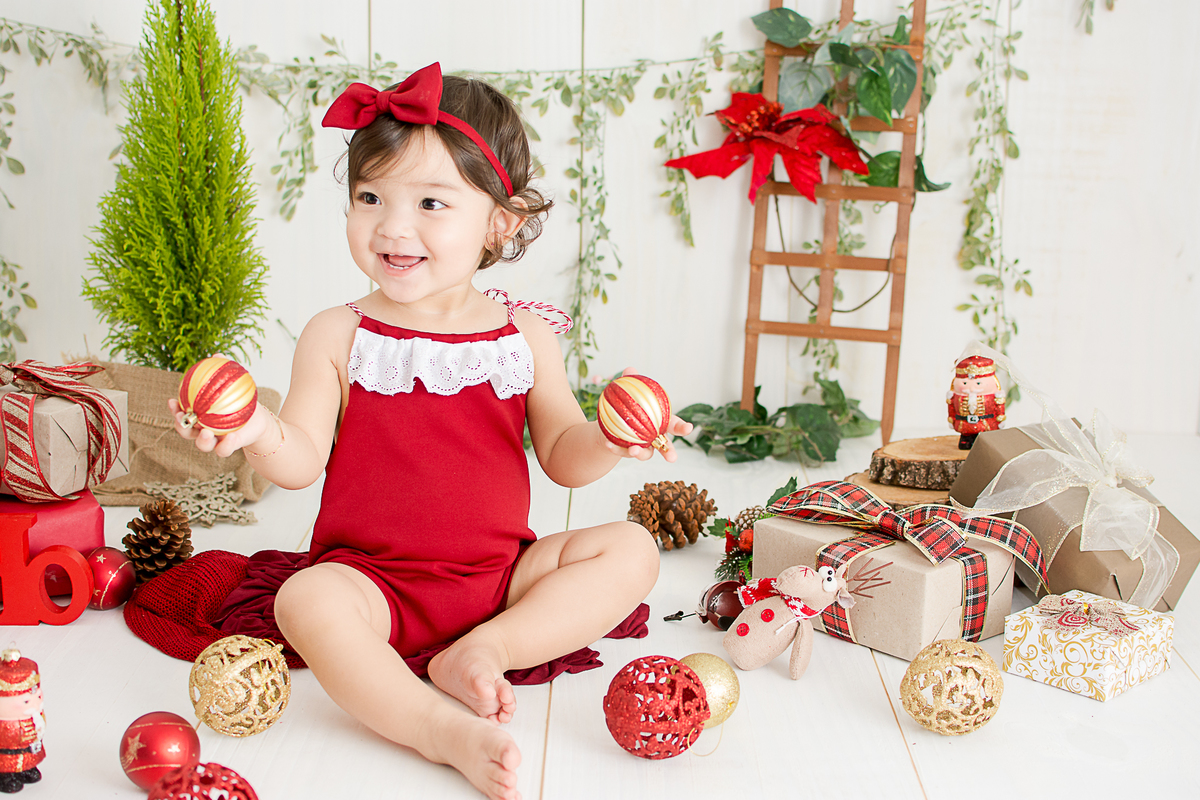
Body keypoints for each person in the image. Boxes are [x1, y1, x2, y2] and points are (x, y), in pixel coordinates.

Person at [171, 62, 688, 800]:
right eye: (370, 197)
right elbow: (300, 461)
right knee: (304, 601)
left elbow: (565, 460)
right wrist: (254, 424)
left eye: (432, 203)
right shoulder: (339, 332)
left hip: (501, 581)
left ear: (500, 222)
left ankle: (484, 649)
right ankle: (435, 728)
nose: (392, 226)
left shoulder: (526, 335)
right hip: (370, 584)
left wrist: (611, 438)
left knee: (633, 547)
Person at [0, 649, 45, 794]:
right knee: (6, 759)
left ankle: (25, 769)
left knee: (27, 755)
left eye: (38, 697)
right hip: (5, 750)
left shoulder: (34, 715)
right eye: (26, 701)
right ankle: (6, 776)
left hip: (28, 745)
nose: (35, 704)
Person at [947, 354, 1006, 449]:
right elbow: (952, 408)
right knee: (966, 437)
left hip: (985, 424)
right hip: (965, 424)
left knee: (986, 441)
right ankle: (966, 441)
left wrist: (1000, 418)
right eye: (965, 383)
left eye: (978, 383)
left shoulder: (994, 396)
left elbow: (999, 408)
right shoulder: (954, 396)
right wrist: (952, 419)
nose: (972, 388)